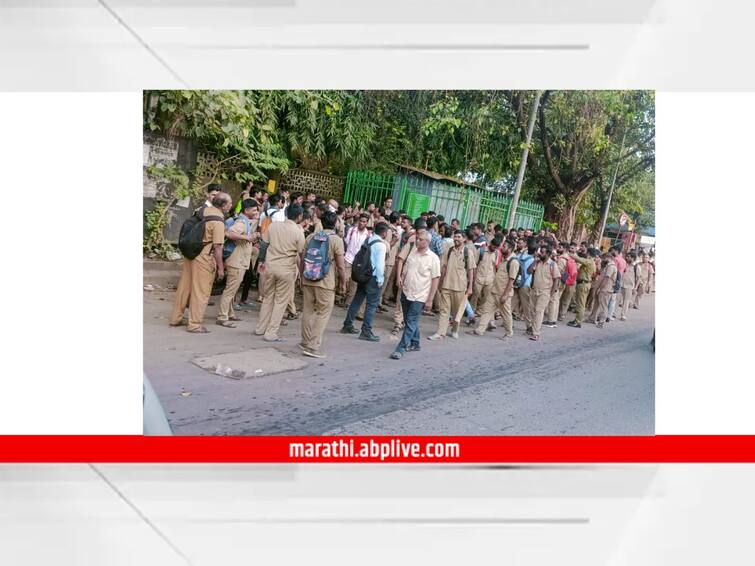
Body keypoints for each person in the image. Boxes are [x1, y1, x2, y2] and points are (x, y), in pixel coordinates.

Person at [169, 192, 231, 333]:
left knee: (184, 287)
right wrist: (221, 268)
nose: (231, 205)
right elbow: (217, 247)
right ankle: (195, 324)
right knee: (200, 292)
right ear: (223, 205)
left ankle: (175, 318)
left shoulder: (202, 211)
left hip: (191, 253)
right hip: (204, 257)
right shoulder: (218, 221)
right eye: (229, 203)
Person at [254, 203, 306, 342]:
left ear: (286, 213)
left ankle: (260, 328)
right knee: (280, 301)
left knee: (267, 298)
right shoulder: (298, 232)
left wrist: (260, 261)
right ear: (300, 216)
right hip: (286, 270)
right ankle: (271, 333)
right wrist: (301, 273)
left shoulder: (273, 226)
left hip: (270, 267)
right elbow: (301, 255)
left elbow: (264, 245)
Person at [299, 211, 346, 358]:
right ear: (335, 224)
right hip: (325, 281)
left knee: (308, 310)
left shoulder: (311, 237)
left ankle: (305, 342)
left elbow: (303, 258)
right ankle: (313, 347)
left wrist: (301, 277)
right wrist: (343, 282)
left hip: (308, 278)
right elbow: (340, 265)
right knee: (323, 312)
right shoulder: (336, 240)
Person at [390, 230, 441, 360]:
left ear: (428, 242)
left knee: (411, 320)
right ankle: (415, 343)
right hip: (406, 292)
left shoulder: (433, 258)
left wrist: (430, 299)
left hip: (420, 295)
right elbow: (406, 268)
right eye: (417, 238)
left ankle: (400, 348)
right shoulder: (413, 253)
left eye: (420, 239)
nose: (417, 241)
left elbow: (435, 279)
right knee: (409, 321)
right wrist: (400, 278)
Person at [341, 222, 389, 342]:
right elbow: (379, 265)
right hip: (373, 277)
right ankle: (366, 331)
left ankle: (347, 324)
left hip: (363, 275)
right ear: (384, 233)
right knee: (371, 305)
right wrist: (380, 280)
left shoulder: (368, 240)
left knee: (357, 300)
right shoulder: (381, 245)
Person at [216, 199, 259, 327]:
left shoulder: (245, 221)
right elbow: (230, 233)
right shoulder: (241, 222)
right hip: (236, 261)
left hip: (239, 260)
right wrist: (247, 237)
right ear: (246, 210)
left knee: (233, 291)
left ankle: (230, 313)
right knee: (230, 290)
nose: (256, 212)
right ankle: (222, 317)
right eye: (254, 210)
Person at [428, 230, 476, 341]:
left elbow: (471, 271)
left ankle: (454, 330)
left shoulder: (468, 252)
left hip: (460, 287)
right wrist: (440, 282)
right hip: (446, 285)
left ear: (464, 239)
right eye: (455, 237)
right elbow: (444, 267)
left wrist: (470, 288)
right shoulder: (449, 251)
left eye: (459, 237)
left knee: (456, 311)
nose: (456, 239)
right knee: (444, 310)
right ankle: (440, 332)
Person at [469, 237, 517, 338]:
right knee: (487, 310)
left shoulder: (513, 262)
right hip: (494, 291)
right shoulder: (504, 259)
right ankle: (480, 330)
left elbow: (511, 280)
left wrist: (505, 295)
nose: (501, 248)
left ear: (510, 249)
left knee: (506, 314)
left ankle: (509, 333)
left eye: (504, 246)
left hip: (503, 293)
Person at [528, 244, 561, 341]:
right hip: (534, 290)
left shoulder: (552, 264)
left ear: (548, 254)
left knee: (539, 311)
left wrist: (551, 294)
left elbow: (556, 279)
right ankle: (535, 328)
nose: (540, 254)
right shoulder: (538, 263)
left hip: (545, 292)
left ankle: (536, 333)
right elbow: (529, 271)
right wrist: (535, 261)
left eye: (542, 252)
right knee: (533, 311)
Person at [340, 212, 371, 307]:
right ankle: (342, 295)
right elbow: (346, 242)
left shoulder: (368, 235)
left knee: (354, 283)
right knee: (345, 278)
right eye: (360, 221)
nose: (361, 223)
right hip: (348, 257)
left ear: (367, 223)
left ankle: (348, 302)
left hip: (358, 262)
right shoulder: (352, 230)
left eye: (364, 222)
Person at [567, 246, 598, 328]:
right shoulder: (592, 262)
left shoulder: (590, 261)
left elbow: (578, 259)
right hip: (584, 284)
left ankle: (578, 322)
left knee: (580, 304)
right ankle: (577, 319)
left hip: (583, 284)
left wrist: (570, 253)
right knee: (580, 303)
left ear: (589, 253)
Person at [588, 253, 617, 328]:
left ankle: (601, 321)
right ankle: (592, 318)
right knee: (596, 303)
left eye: (605, 258)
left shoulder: (611, 267)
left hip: (605, 289)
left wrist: (600, 288)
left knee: (603, 305)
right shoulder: (607, 266)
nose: (604, 260)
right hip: (602, 288)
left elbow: (606, 278)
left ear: (608, 257)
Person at [558, 242, 578, 321]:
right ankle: (558, 313)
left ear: (576, 249)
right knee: (561, 297)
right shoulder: (566, 256)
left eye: (573, 248)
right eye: (570, 248)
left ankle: (562, 314)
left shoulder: (576, 258)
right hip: (565, 278)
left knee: (566, 298)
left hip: (571, 280)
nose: (571, 249)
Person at [618, 252, 638, 321]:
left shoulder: (636, 267)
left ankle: (623, 315)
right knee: (617, 299)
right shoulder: (625, 264)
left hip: (629, 287)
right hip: (621, 284)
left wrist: (635, 287)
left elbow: (638, 278)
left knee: (626, 301)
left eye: (629, 257)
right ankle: (613, 313)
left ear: (632, 258)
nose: (627, 258)